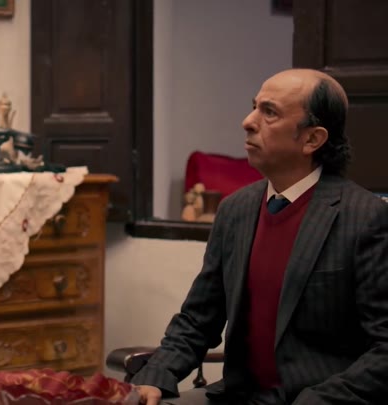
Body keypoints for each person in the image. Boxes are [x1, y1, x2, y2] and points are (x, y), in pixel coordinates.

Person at [133, 68, 388, 404]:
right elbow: (198, 318)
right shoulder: (235, 210)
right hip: (237, 396)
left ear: (312, 139)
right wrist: (156, 375)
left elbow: (384, 348)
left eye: (269, 112)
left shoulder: (365, 217)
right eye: (255, 107)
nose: (248, 121)